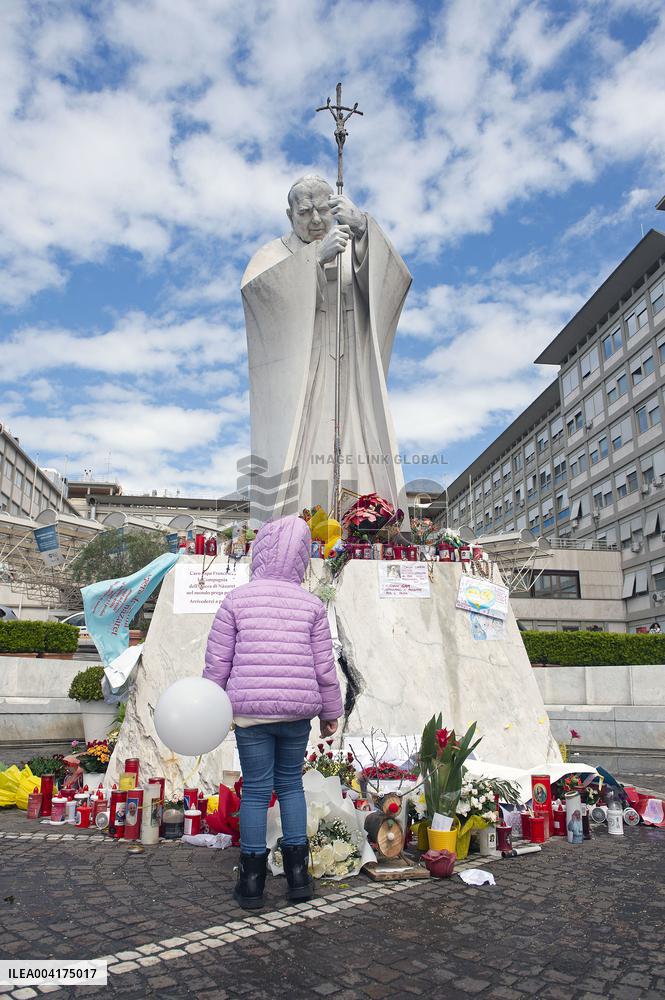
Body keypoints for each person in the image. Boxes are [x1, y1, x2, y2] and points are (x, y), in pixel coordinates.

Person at [241, 174, 412, 519]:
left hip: (350, 369)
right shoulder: (273, 253)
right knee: (304, 447)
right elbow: (258, 293)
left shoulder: (351, 245)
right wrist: (314, 260)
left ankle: (364, 519)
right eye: (305, 212)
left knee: (358, 442)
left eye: (323, 209)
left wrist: (363, 228)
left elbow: (393, 279)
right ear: (290, 215)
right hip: (302, 372)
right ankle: (294, 523)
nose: (317, 220)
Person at [203, 515, 343, 910]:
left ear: (260, 551)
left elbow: (217, 663)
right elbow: (323, 666)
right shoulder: (312, 604)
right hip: (297, 714)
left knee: (257, 790)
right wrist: (330, 711)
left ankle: (251, 881)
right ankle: (299, 877)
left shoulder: (236, 600)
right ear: (302, 557)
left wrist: (210, 708)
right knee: (291, 787)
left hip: (250, 715)